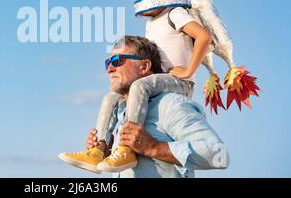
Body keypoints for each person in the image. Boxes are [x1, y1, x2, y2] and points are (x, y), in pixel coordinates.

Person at [59, 0, 213, 173]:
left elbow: (204, 37)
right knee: (110, 97)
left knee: (138, 87)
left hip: (179, 82)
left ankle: (126, 149)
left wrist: (188, 72)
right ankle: (100, 148)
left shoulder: (175, 13)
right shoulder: (151, 24)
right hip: (158, 81)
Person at [64, 36, 229, 177]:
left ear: (144, 66)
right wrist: (106, 150)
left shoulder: (169, 104)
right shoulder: (120, 112)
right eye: (107, 62)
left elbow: (218, 154)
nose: (109, 69)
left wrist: (153, 147)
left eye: (117, 60)